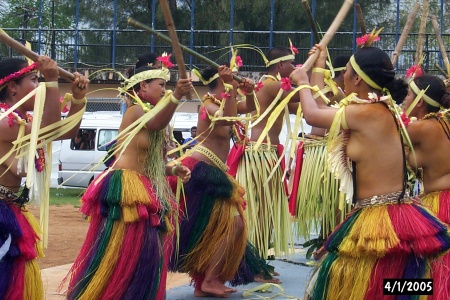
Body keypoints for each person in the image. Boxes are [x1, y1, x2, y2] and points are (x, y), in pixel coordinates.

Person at [290, 44, 450, 299]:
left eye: (346, 72)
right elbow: (321, 106)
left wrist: (301, 81)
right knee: (385, 284)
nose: (342, 77)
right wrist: (319, 64)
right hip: (391, 213)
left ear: (356, 79)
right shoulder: (382, 109)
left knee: (362, 285)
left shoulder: (366, 113)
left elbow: (312, 114)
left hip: (381, 217)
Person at [65, 66, 192, 299]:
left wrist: (173, 168)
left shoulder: (151, 114)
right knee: (126, 251)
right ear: (143, 87)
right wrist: (176, 96)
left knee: (147, 252)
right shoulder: (135, 111)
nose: (165, 90)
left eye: (167, 87)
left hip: (144, 186)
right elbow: (156, 124)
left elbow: (150, 163)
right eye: (161, 85)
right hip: (126, 188)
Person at [168, 65, 275, 298]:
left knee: (214, 228)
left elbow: (254, 111)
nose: (236, 83)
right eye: (232, 82)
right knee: (232, 225)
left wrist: (247, 93)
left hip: (216, 171)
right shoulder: (207, 105)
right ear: (222, 83)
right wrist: (231, 87)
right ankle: (209, 279)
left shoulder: (225, 102)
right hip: (204, 171)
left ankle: (203, 283)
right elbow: (228, 120)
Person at [0, 56, 89, 299]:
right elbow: (51, 128)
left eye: (39, 80)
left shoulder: (21, 121)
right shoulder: (3, 121)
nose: (38, 85)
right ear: (13, 86)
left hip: (11, 206)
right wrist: (51, 81)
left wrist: (78, 99)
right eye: (34, 80)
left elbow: (64, 131)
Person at [228, 47, 299, 259]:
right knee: (259, 211)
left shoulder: (271, 88)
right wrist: (316, 69)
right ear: (280, 66)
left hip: (267, 154)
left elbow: (303, 104)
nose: (294, 68)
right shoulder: (271, 85)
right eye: (292, 64)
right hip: (261, 154)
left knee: (266, 211)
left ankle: (257, 258)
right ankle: (251, 260)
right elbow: (307, 94)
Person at [403, 74, 450, 299]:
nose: (405, 98)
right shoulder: (442, 122)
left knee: (431, 272)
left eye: (409, 94)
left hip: (440, 206)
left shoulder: (420, 128)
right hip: (442, 199)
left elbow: (382, 137)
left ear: (419, 100)